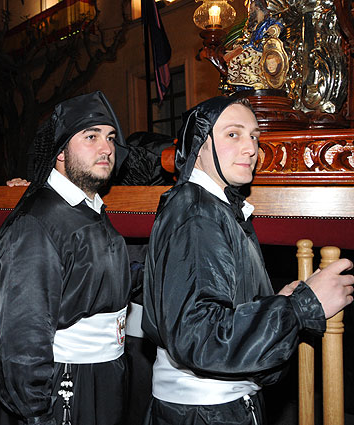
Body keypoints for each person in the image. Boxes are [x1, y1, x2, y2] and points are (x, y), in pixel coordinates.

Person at [142, 96, 354, 423]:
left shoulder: (215, 206)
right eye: (233, 134)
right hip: (206, 412)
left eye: (254, 136)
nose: (251, 148)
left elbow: (221, 304)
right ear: (199, 145)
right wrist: (303, 306)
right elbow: (198, 335)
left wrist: (278, 302)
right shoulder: (199, 215)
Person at [0, 91, 133, 425]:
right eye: (91, 137)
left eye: (111, 137)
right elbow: (24, 340)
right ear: (59, 152)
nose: (107, 148)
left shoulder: (90, 208)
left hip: (105, 380)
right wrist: (37, 414)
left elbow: (99, 276)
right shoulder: (38, 221)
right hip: (67, 386)